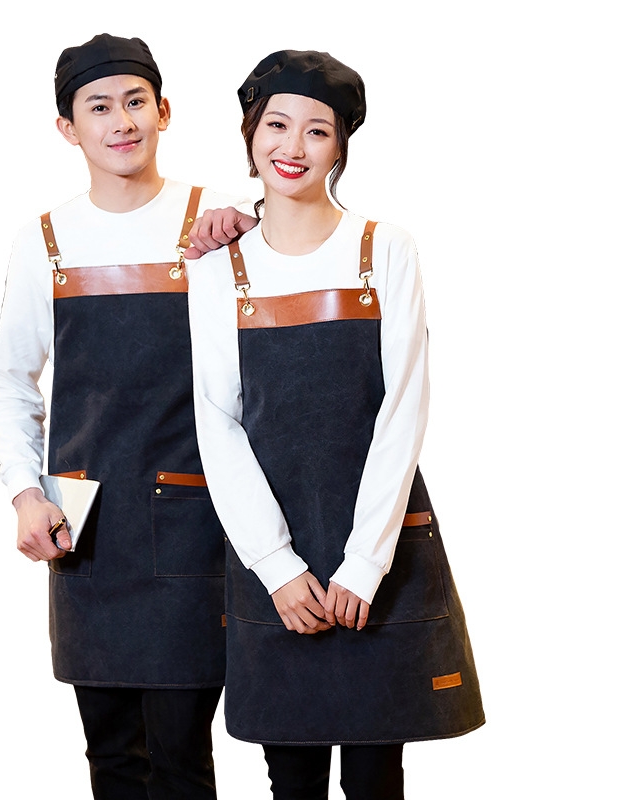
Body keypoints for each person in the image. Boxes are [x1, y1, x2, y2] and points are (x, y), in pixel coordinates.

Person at [186, 49, 485, 800]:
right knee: (291, 776)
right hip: (272, 552)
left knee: (377, 775)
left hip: (378, 545)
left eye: (317, 130)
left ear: (341, 146)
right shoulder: (218, 267)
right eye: (276, 125)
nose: (293, 146)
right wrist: (277, 565)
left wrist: (364, 562)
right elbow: (217, 423)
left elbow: (403, 408)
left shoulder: (385, 249)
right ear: (250, 134)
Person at [0, 33, 255, 799]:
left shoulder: (216, 225)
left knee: (180, 756)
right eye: (99, 107)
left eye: (136, 102)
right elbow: (8, 376)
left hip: (193, 518)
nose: (122, 121)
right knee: (110, 755)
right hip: (86, 524)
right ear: (68, 128)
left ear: (164, 111)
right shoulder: (45, 241)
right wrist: (24, 492)